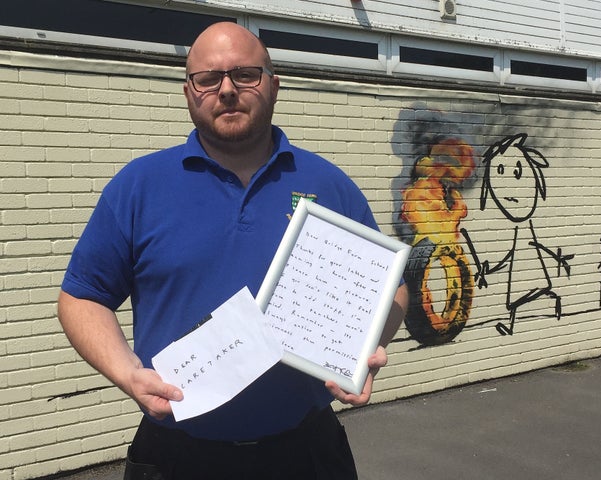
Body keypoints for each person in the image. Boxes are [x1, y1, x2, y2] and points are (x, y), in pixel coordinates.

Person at [57, 22, 408, 480]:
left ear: (274, 85)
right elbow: (81, 296)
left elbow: (391, 289)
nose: (226, 90)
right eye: (208, 78)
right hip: (177, 455)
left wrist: (367, 345)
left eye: (245, 74)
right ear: (189, 92)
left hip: (306, 453)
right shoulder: (139, 187)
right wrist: (127, 373)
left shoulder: (328, 184)